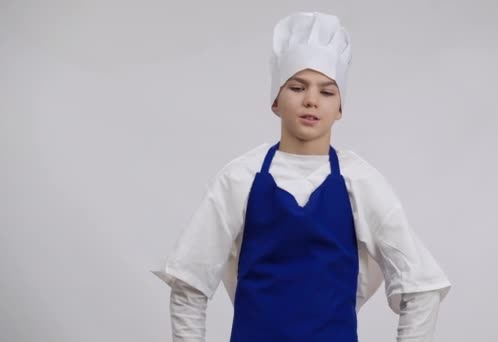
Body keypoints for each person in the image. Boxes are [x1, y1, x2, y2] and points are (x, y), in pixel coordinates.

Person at [153, 11, 451, 342]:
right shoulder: (240, 178)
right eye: (297, 87)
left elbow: (422, 287)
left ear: (340, 107)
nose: (311, 100)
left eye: (326, 92)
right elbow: (188, 283)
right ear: (275, 100)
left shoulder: (361, 182)